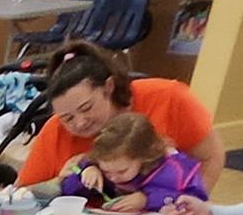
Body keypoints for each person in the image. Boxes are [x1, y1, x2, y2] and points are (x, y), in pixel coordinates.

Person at [14, 45, 224, 192]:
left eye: (87, 108)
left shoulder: (168, 98)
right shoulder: (55, 130)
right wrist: (59, 182)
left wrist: (190, 206)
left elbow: (211, 156)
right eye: (67, 118)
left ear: (109, 87)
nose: (79, 122)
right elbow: (22, 193)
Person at [58, 108, 205, 213]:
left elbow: (196, 203)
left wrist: (147, 199)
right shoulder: (101, 164)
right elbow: (67, 193)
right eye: (106, 171)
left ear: (144, 158)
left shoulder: (175, 172)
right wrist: (85, 172)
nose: (113, 177)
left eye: (122, 171)